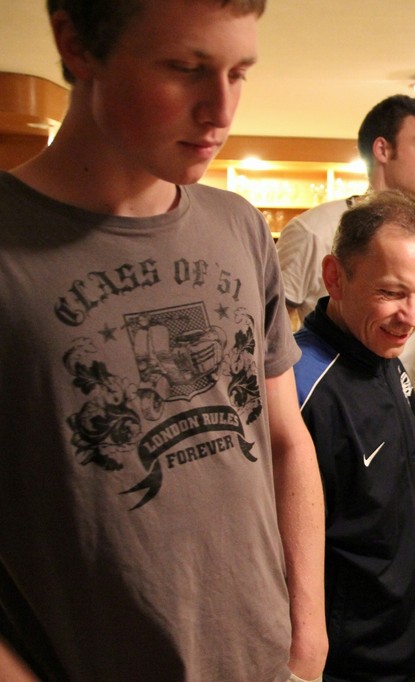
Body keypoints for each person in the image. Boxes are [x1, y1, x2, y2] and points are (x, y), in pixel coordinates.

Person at [0, 1, 327, 680]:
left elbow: (285, 440)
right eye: (184, 67)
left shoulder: (239, 227)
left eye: (239, 72)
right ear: (75, 42)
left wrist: (308, 640)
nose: (221, 110)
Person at [292, 190, 415, 682]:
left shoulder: (383, 355)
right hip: (351, 662)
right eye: (392, 293)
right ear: (334, 277)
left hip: (407, 641)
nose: (412, 317)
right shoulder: (300, 385)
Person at [276, 94, 415, 399]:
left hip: (402, 408)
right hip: (325, 408)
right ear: (382, 150)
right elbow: (269, 337)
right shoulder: (313, 231)